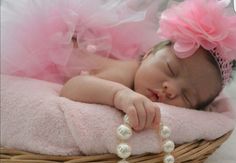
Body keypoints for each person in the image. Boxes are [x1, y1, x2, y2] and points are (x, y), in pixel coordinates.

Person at [1, 0, 236, 131]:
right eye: (170, 70)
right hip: (45, 49)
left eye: (186, 96)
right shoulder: (125, 73)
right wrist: (119, 96)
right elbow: (73, 87)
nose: (170, 89)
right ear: (148, 55)